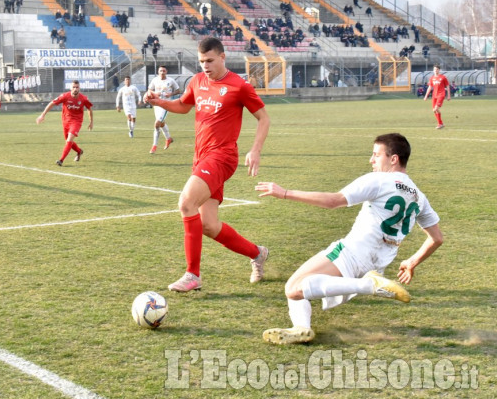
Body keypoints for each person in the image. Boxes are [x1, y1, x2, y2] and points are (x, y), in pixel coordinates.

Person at [254, 133, 443, 345]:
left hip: (355, 251)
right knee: (296, 288)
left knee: (293, 289)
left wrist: (285, 193)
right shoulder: (419, 195)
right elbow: (436, 238)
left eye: (375, 155)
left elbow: (334, 201)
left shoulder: (379, 180)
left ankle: (369, 285)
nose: (371, 160)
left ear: (394, 159)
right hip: (377, 262)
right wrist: (412, 261)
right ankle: (301, 328)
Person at [145, 37, 271, 292]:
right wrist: (158, 101)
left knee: (186, 203)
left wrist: (255, 150)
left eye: (210, 60)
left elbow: (263, 118)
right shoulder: (197, 81)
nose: (205, 65)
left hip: (222, 157)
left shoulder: (239, 86)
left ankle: (193, 275)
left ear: (223, 57)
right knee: (209, 226)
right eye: (201, 61)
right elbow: (183, 106)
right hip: (201, 157)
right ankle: (257, 253)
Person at [36, 80, 93, 166]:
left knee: (69, 139)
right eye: (73, 87)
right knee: (68, 141)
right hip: (66, 122)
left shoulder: (83, 98)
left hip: (77, 122)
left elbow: (89, 109)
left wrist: (91, 122)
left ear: (79, 88)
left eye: (77, 87)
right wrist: (43, 115)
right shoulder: (65, 96)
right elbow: (52, 103)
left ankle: (61, 160)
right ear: (70, 88)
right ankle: (79, 151)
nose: (75, 89)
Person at [147, 66, 180, 154]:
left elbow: (178, 90)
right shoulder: (155, 80)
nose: (162, 72)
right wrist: (155, 93)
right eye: (161, 71)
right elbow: (149, 90)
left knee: (157, 123)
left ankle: (154, 146)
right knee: (161, 123)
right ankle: (169, 138)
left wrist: (171, 94)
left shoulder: (170, 80)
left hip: (166, 104)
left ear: (166, 71)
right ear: (158, 72)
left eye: (164, 71)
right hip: (156, 104)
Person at [422, 65, 451, 129]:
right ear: (433, 70)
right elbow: (430, 87)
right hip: (434, 95)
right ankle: (440, 123)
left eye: (437, 69)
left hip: (441, 94)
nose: (436, 70)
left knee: (435, 109)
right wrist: (426, 96)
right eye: (435, 69)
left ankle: (440, 124)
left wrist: (448, 95)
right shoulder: (432, 78)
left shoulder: (443, 77)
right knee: (434, 110)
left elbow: (447, 86)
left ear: (439, 70)